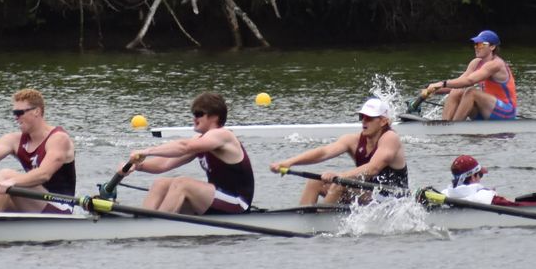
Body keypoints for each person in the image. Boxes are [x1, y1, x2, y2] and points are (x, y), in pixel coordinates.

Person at [122, 91, 255, 214]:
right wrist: (137, 165)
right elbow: (164, 164)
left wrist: (147, 151)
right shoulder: (200, 141)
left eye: (199, 114)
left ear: (214, 117)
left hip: (238, 203)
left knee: (182, 183)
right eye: (194, 114)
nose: (194, 119)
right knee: (160, 183)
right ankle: (143, 223)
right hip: (217, 198)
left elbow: (184, 146)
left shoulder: (223, 135)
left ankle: (156, 226)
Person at [268, 97, 409, 205]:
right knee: (314, 182)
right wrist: (289, 162)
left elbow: (373, 168)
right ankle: (301, 219)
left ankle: (320, 226)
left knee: (339, 184)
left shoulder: (390, 138)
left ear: (383, 121)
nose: (364, 122)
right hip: (368, 194)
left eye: (369, 118)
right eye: (362, 117)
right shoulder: (352, 140)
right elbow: (323, 152)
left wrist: (339, 176)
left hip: (393, 199)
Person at [422, 29, 518, 120]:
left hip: (506, 112)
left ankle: (454, 128)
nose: (476, 47)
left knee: (471, 92)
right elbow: (459, 83)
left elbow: (469, 81)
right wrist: (432, 89)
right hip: (487, 109)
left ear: (492, 47)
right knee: (457, 91)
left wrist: (441, 83)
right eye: (475, 44)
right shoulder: (476, 63)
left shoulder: (496, 64)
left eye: (481, 44)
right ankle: (445, 126)